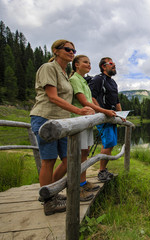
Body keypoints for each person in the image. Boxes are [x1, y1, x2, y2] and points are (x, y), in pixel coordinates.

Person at [30, 39, 95, 216]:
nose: (71, 52)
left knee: (68, 160)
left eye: (74, 50)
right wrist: (78, 111)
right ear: (55, 51)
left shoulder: (64, 73)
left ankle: (50, 192)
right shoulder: (48, 68)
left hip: (61, 122)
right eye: (67, 49)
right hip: (45, 118)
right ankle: (49, 202)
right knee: (49, 160)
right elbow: (52, 97)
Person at [69, 55, 117, 200]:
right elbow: (88, 100)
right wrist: (102, 112)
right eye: (85, 62)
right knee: (77, 155)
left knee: (86, 152)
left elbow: (114, 99)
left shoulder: (87, 80)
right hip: (83, 120)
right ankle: (75, 188)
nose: (89, 65)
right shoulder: (94, 79)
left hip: (92, 119)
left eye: (90, 63)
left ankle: (82, 183)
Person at [89, 57, 123, 182]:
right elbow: (92, 97)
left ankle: (103, 169)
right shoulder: (98, 79)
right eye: (111, 64)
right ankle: (101, 171)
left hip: (113, 117)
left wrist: (121, 115)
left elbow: (117, 100)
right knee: (108, 143)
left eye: (114, 63)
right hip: (104, 116)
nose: (114, 65)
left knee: (111, 144)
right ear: (104, 66)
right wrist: (101, 113)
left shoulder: (113, 82)